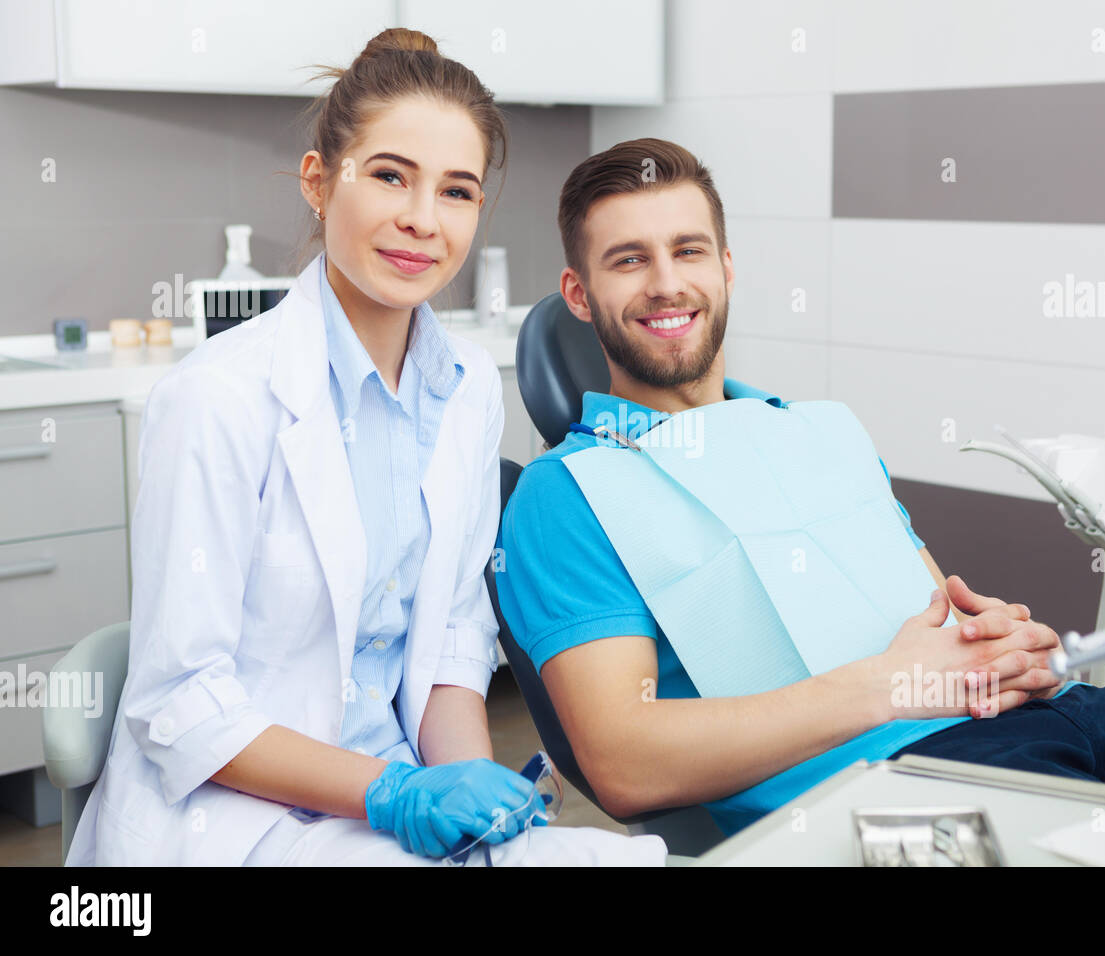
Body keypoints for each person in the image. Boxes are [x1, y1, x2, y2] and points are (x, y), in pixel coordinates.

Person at [495, 137, 1105, 837]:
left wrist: (1006, 648)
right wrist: (894, 684)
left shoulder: (821, 429)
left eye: (689, 250)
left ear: (728, 269)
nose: (668, 284)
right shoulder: (568, 494)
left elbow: (934, 621)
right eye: (629, 260)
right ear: (578, 294)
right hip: (921, 778)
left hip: (1065, 710)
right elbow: (625, 763)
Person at [66, 30, 664, 867]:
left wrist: (474, 799)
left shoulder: (465, 388)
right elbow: (180, 703)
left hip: (388, 793)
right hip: (231, 813)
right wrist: (392, 795)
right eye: (390, 176)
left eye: (456, 192)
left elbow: (455, 632)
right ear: (320, 181)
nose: (422, 219)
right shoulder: (219, 397)